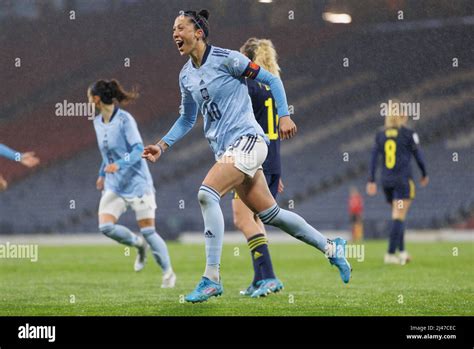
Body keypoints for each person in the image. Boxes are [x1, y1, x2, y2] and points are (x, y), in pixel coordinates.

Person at [143, 9, 351, 303]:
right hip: (228, 150)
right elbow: (187, 119)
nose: (175, 34)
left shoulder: (228, 59)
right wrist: (161, 146)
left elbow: (272, 80)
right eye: (173, 30)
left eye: (180, 28)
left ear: (198, 32)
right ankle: (332, 248)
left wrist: (284, 115)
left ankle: (211, 278)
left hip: (249, 141)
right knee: (271, 215)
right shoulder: (185, 76)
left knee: (206, 194)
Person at [89, 79, 176, 287]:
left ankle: (168, 273)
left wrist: (119, 164)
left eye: (89, 97)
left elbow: (138, 150)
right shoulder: (97, 122)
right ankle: (138, 246)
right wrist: (103, 173)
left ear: (97, 99)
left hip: (138, 183)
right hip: (115, 185)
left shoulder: (125, 120)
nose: (89, 101)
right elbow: (107, 153)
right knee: (105, 226)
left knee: (149, 231)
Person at [233, 38, 285, 298]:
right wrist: (278, 171)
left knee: (242, 219)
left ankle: (270, 277)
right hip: (273, 161)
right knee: (255, 220)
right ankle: (260, 277)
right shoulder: (273, 88)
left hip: (252, 161)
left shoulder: (249, 85)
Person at [366, 113, 429, 265]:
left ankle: (402, 251)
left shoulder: (380, 134)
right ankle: (390, 254)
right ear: (403, 117)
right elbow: (418, 155)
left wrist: (371, 180)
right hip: (402, 181)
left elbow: (374, 158)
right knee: (399, 216)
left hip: (387, 182)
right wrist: (424, 173)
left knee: (397, 215)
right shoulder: (408, 133)